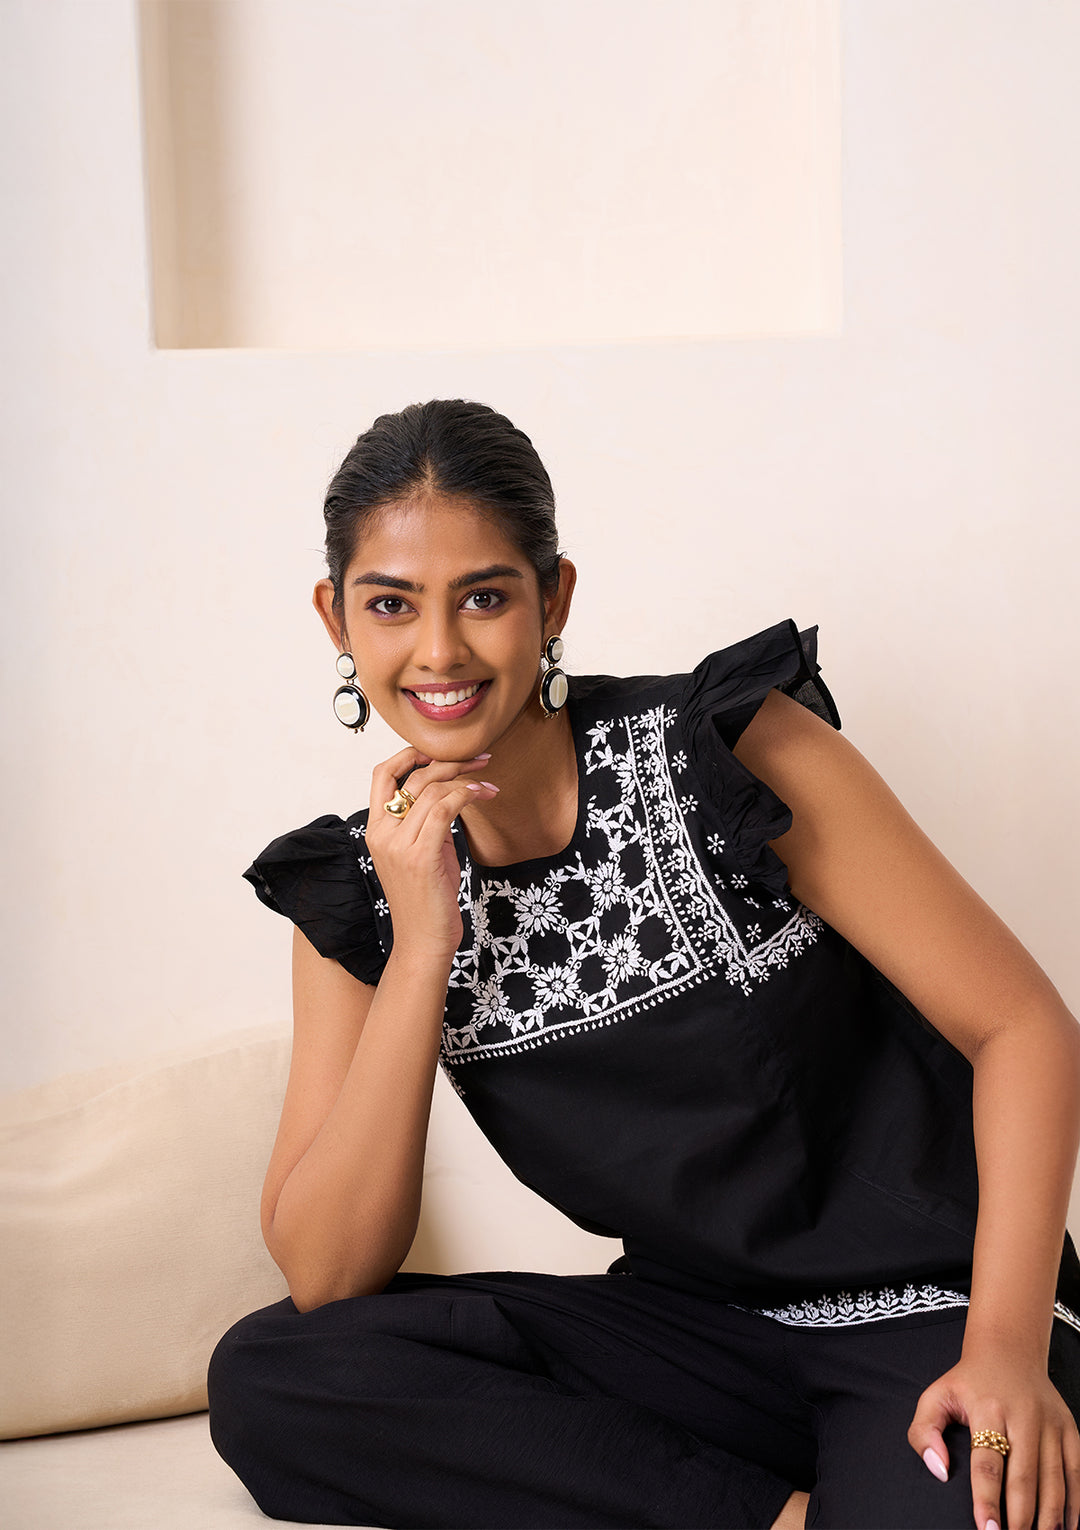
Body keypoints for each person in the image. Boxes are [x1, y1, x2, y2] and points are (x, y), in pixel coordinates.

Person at [208, 399, 1080, 1530]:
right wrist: (423, 948)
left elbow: (1022, 1028)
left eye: (485, 597)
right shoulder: (358, 890)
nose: (439, 651)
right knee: (276, 1374)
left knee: (975, 1503)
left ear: (554, 599)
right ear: (336, 616)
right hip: (688, 1342)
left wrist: (1008, 1350)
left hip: (930, 1313)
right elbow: (328, 1277)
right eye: (391, 604)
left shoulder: (730, 756)